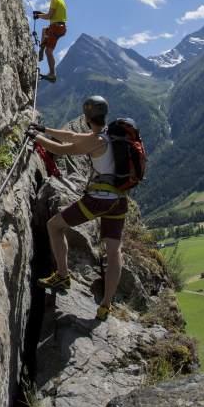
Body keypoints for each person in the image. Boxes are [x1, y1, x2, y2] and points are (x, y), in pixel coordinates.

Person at [31, 95, 126, 320]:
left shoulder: (96, 140)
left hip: (98, 199)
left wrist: (36, 137)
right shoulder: (109, 136)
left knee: (54, 226)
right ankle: (106, 305)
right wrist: (45, 129)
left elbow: (62, 149)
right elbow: (72, 136)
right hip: (119, 200)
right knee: (114, 251)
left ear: (87, 117)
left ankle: (63, 275)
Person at [33, 0, 67, 82]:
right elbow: (53, 15)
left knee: (49, 51)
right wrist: (40, 13)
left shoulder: (54, 1)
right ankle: (42, 47)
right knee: (44, 30)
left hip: (56, 27)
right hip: (60, 27)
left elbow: (49, 16)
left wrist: (38, 16)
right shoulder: (60, 0)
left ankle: (52, 74)